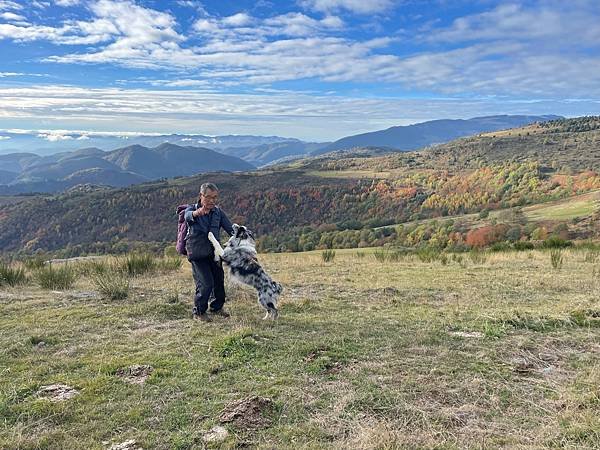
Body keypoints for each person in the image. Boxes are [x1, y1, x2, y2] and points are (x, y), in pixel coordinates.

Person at [184, 182, 234, 322]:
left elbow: (230, 229)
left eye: (215, 197)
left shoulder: (218, 212)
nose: (212, 200)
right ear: (201, 196)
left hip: (214, 254)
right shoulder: (192, 209)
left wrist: (242, 238)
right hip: (198, 254)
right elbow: (187, 216)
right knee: (205, 283)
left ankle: (217, 308)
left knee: (218, 281)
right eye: (208, 197)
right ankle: (199, 312)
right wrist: (196, 213)